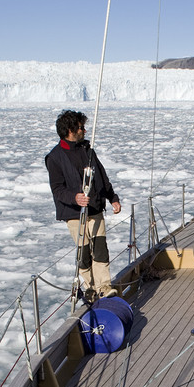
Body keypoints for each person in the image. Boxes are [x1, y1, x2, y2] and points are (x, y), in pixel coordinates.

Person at [45, 109, 121, 299]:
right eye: (81, 128)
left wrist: (113, 198)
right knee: (84, 252)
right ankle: (90, 287)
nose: (85, 131)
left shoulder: (88, 151)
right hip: (74, 214)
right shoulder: (54, 158)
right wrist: (75, 197)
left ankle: (104, 286)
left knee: (101, 249)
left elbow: (102, 178)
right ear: (70, 130)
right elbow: (58, 189)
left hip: (95, 208)